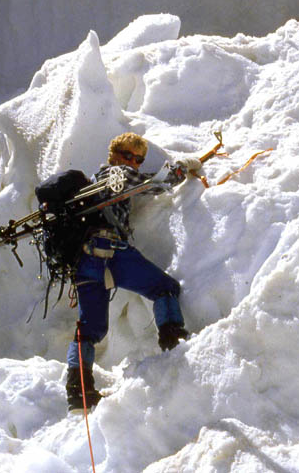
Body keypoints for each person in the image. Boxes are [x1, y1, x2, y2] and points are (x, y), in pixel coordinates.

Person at [64, 132, 200, 411]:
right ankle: (174, 344)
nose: (134, 163)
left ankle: (78, 391)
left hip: (84, 261)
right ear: (114, 154)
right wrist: (185, 165)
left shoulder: (91, 183)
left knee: (89, 329)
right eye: (129, 156)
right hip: (110, 250)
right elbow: (159, 183)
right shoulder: (118, 173)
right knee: (164, 288)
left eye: (138, 159)